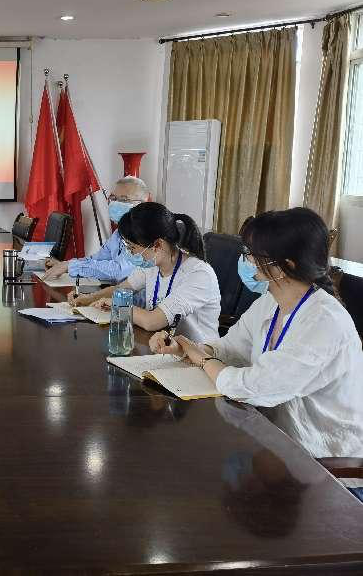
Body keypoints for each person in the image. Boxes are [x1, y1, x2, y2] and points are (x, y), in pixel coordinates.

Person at [151, 207, 363, 500]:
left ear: (284, 266)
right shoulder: (272, 301)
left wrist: (202, 359)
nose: (247, 261)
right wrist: (189, 348)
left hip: (324, 468)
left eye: (253, 255)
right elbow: (231, 347)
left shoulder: (325, 322)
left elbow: (252, 386)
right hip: (275, 444)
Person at [68, 202, 220, 342]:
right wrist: (88, 298)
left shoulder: (199, 274)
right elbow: (121, 290)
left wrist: (118, 305)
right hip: (161, 346)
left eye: (132, 248)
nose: (130, 253)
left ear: (157, 245)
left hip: (197, 355)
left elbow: (151, 321)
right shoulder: (153, 264)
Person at [43, 176, 150, 283]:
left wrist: (70, 266)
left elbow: (119, 270)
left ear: (141, 205)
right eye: (113, 198)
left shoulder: (144, 233)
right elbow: (97, 259)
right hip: (116, 289)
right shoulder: (118, 233)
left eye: (123, 199)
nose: (115, 203)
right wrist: (65, 264)